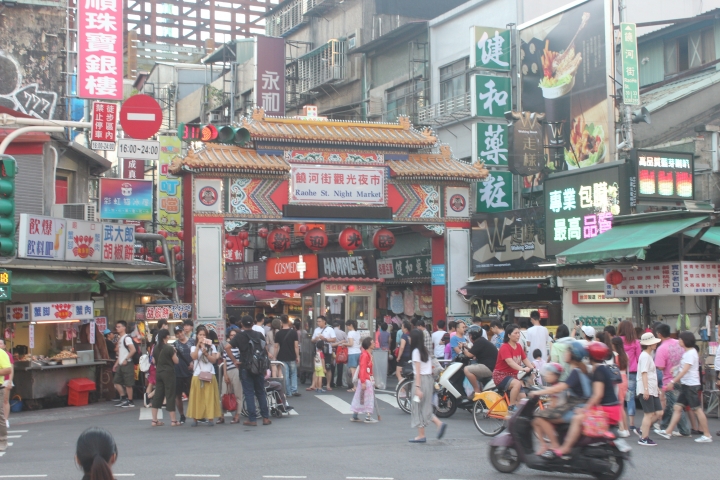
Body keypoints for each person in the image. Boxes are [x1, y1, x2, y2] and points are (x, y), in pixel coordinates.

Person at [550, 342, 621, 458]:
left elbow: (597, 395)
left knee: (577, 418)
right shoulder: (599, 368)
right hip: (610, 408)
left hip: (607, 410)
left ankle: (565, 448)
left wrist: (585, 410)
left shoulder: (598, 371)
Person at [530, 341, 591, 457]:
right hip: (577, 406)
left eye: (567, 351)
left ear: (573, 355)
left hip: (577, 408)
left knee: (540, 417)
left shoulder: (576, 371)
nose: (565, 353)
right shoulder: (581, 370)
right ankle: (547, 445)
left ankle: (555, 446)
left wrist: (538, 392)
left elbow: (559, 388)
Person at [656, 331, 712, 443]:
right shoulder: (688, 353)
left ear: (685, 341)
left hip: (691, 385)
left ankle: (707, 435)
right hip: (686, 385)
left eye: (681, 339)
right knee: (677, 407)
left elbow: (685, 370)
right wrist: (676, 367)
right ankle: (668, 432)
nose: (679, 341)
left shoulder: (690, 353)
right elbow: (684, 366)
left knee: (697, 410)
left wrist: (673, 381)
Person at [228, 316, 272, 426]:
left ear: (242, 325)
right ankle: (265, 418)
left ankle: (252, 419)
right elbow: (265, 350)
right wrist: (265, 367)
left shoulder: (239, 336)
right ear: (253, 324)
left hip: (245, 367)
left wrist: (234, 360)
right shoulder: (259, 335)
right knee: (260, 392)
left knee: (249, 393)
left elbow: (227, 347)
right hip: (259, 367)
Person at [409, 329, 446, 443]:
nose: (409, 339)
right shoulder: (425, 351)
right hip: (428, 380)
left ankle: (421, 435)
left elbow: (418, 371)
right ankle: (438, 424)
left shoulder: (416, 352)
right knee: (424, 406)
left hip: (420, 381)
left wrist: (417, 388)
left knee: (417, 406)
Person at [654, 323, 691, 437]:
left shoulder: (661, 348)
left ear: (659, 334)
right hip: (682, 378)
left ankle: (684, 430)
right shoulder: (678, 343)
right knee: (672, 404)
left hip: (670, 380)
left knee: (676, 405)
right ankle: (664, 427)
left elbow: (660, 366)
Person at [492, 324, 536, 413]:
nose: (518, 335)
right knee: (517, 384)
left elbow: (525, 359)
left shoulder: (519, 346)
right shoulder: (504, 347)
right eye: (515, 333)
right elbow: (510, 362)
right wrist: (522, 369)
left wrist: (533, 368)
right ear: (509, 335)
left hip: (513, 376)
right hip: (500, 376)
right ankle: (511, 406)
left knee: (523, 400)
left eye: (519, 333)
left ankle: (516, 418)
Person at [187, 325, 222, 427]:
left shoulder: (212, 346)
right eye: (200, 334)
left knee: (209, 397)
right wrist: (198, 345)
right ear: (197, 336)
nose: (202, 336)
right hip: (197, 374)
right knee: (197, 397)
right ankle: (195, 419)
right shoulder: (193, 347)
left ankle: (210, 418)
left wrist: (206, 353)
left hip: (209, 374)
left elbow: (214, 360)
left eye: (204, 335)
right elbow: (193, 357)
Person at [532, 362, 566, 455]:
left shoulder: (556, 388)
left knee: (537, 421)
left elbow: (553, 406)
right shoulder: (557, 385)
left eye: (549, 374)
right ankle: (546, 444)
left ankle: (550, 444)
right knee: (536, 421)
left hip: (560, 413)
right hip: (561, 411)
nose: (546, 375)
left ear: (555, 376)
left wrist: (546, 410)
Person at [635, 332, 663, 445]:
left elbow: (650, 374)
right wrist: (646, 389)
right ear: (649, 344)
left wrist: (655, 388)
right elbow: (644, 373)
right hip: (646, 389)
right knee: (649, 414)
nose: (655, 344)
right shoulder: (645, 356)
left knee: (659, 412)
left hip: (651, 388)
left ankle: (642, 430)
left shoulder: (648, 355)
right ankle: (644, 437)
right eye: (653, 343)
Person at [150, 329, 180, 427]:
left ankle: (154, 420)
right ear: (166, 336)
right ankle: (173, 421)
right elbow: (176, 361)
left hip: (158, 373)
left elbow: (154, 361)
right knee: (170, 395)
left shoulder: (155, 348)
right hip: (168, 373)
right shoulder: (169, 348)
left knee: (158, 395)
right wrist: (175, 353)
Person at [618, 320, 641, 435]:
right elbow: (639, 358)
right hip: (632, 371)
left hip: (620, 372)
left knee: (620, 398)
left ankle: (622, 423)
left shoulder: (618, 341)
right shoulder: (636, 342)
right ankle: (632, 423)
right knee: (630, 397)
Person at [350, 337, 378, 423]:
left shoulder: (368, 354)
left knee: (360, 397)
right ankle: (368, 416)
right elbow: (362, 369)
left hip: (367, 379)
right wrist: (363, 382)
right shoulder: (365, 355)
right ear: (369, 345)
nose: (374, 343)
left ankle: (355, 416)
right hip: (365, 380)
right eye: (372, 342)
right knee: (368, 399)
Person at [461, 329, 497, 395]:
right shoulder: (481, 341)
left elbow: (469, 355)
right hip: (490, 366)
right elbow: (473, 352)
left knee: (467, 370)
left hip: (488, 367)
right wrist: (466, 347)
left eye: (469, 335)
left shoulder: (479, 342)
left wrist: (462, 349)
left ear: (472, 336)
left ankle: (477, 390)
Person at [221, 328, 243, 424]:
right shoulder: (227, 347)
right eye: (231, 335)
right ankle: (221, 416)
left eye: (235, 335)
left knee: (238, 394)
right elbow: (224, 361)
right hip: (228, 371)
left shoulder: (240, 347)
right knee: (223, 394)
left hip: (236, 371)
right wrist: (225, 374)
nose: (233, 337)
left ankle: (237, 415)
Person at [275, 315, 300, 398]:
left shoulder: (278, 333)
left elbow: (276, 347)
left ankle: (288, 392)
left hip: (282, 356)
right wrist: (297, 356)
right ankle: (294, 390)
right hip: (292, 355)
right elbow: (296, 346)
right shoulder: (293, 332)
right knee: (293, 373)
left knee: (285, 374)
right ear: (289, 322)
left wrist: (275, 357)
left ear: (281, 322)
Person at [112, 321, 136, 408]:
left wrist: (126, 359)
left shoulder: (127, 338)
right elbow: (121, 353)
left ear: (124, 327)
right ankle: (123, 398)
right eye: (116, 327)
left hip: (127, 363)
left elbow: (133, 350)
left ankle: (130, 401)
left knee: (128, 383)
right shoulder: (120, 338)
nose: (117, 328)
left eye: (119, 326)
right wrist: (116, 364)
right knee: (116, 381)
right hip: (121, 363)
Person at [173, 325, 194, 424]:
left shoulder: (192, 342)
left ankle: (196, 415)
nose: (180, 334)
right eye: (177, 333)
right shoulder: (174, 345)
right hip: (178, 373)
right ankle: (182, 415)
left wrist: (193, 363)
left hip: (191, 373)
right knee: (178, 395)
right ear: (176, 335)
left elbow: (197, 355)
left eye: (181, 332)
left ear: (184, 331)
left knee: (192, 395)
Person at [611, 336, 631, 437]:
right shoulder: (626, 355)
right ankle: (626, 428)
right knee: (622, 404)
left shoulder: (614, 356)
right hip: (625, 379)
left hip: (617, 379)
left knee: (619, 405)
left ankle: (622, 428)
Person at [311, 316, 336, 391]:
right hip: (318, 351)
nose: (318, 323)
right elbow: (312, 340)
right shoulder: (316, 330)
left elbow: (334, 339)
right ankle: (313, 384)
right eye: (317, 321)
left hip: (327, 350)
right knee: (316, 368)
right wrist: (315, 339)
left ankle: (328, 384)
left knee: (328, 368)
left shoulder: (330, 329)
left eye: (319, 321)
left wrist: (325, 339)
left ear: (324, 321)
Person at [345, 320, 362, 393]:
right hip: (359, 352)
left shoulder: (350, 333)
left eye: (347, 326)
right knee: (358, 371)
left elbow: (351, 344)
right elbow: (360, 343)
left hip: (352, 353)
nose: (347, 327)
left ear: (351, 325)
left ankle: (355, 387)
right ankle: (358, 386)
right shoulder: (358, 333)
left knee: (353, 371)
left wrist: (344, 344)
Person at [332, 320, 347, 388]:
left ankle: (331, 381)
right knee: (340, 366)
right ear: (339, 326)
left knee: (332, 366)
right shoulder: (342, 332)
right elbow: (346, 341)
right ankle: (339, 382)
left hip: (332, 349)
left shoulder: (331, 332)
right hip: (340, 350)